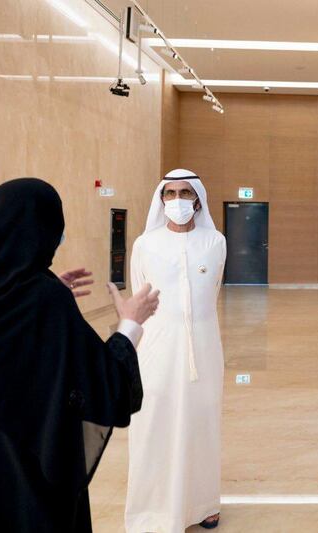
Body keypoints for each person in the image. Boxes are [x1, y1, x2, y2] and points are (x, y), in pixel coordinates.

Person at [0, 178, 160, 532]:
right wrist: (130, 324)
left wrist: (46, 289)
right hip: (19, 480)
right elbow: (104, 384)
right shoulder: (45, 301)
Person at [125, 168, 226, 532]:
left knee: (202, 422)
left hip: (204, 347)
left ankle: (203, 505)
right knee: (155, 422)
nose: (178, 200)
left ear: (197, 199)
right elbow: (140, 294)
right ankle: (154, 510)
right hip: (157, 349)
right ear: (161, 199)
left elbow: (211, 292)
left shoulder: (215, 241)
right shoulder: (145, 244)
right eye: (171, 193)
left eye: (186, 192)